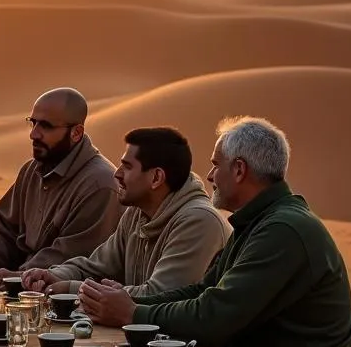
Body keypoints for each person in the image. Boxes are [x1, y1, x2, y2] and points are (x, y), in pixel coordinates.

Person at [75, 117, 351, 347]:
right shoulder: (257, 223)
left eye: (214, 165)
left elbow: (215, 315)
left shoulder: (284, 230)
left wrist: (133, 314)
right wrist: (132, 304)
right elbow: (204, 289)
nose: (208, 177)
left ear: (239, 170)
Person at [0, 88, 119, 290]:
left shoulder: (99, 185)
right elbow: (7, 235)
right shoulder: (31, 170)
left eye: (46, 126)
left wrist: (16, 278)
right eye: (33, 123)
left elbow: (72, 260)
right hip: (24, 293)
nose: (33, 134)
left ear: (76, 133)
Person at [21, 127, 227, 297]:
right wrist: (56, 276)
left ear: (156, 178)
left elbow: (160, 295)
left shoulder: (199, 221)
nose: (117, 174)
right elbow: (94, 267)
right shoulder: (136, 214)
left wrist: (73, 289)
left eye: (127, 167)